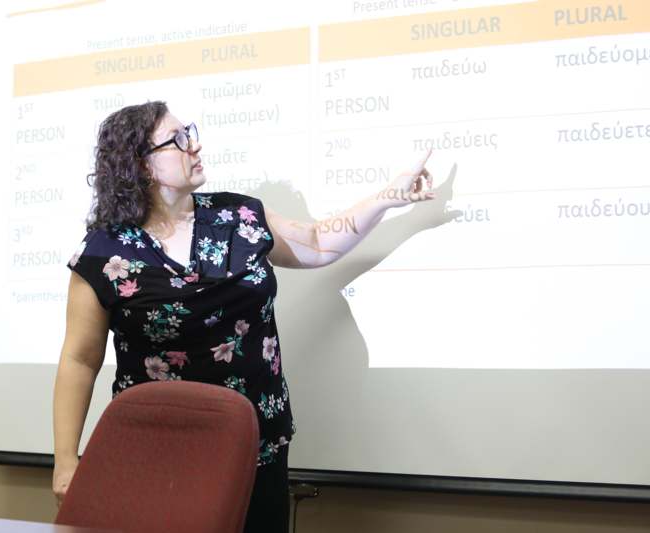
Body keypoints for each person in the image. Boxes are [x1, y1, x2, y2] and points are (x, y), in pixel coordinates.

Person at [52, 100, 435, 533]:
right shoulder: (105, 252)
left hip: (256, 444)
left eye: (190, 133)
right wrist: (66, 460)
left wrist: (389, 196)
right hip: (158, 448)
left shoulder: (239, 216)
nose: (194, 146)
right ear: (140, 165)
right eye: (178, 140)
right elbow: (80, 361)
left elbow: (318, 243)